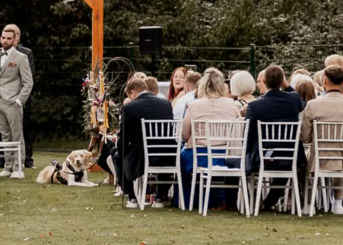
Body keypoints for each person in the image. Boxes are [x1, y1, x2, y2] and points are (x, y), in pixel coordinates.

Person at [179, 69, 246, 209]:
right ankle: (222, 200)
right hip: (227, 156)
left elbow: (184, 135)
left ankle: (186, 200)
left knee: (181, 157)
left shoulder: (193, 105)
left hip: (200, 156)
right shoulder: (231, 104)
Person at [298, 66, 343, 195]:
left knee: (303, 157)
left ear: (324, 81)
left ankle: (309, 200)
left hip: (318, 157)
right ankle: (338, 203)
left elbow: (305, 137)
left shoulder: (313, 104)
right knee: (342, 153)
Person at [114, 72, 175, 206]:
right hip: (167, 154)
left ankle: (132, 198)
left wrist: (121, 149)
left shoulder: (130, 107)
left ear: (132, 92)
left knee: (119, 154)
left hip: (141, 157)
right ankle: (159, 198)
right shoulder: (166, 104)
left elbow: (124, 136)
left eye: (129, 96)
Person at [242, 63, 304, 183]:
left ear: (264, 81)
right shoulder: (293, 99)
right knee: (284, 165)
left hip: (263, 159)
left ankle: (252, 199)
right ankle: (269, 201)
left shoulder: (254, 106)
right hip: (291, 158)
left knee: (232, 161)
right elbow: (302, 103)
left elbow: (247, 134)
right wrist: (287, 85)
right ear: (282, 81)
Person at [0, 24, 34, 178]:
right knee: (5, 136)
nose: (5, 40)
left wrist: (20, 101)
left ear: (15, 40)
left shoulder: (21, 58)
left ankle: (18, 167)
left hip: (13, 102)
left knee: (17, 135)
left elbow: (28, 82)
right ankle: (8, 167)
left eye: (9, 38)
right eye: (3, 37)